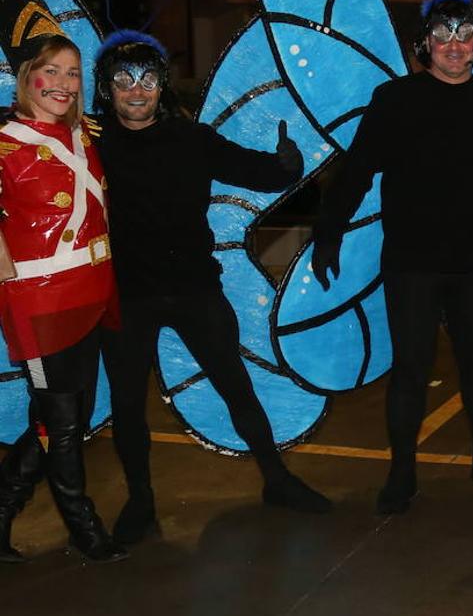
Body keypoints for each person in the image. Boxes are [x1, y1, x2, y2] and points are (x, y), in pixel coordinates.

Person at [312, 0, 473, 513]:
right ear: (425, 42)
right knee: (411, 370)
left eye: (465, 36)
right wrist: (328, 231)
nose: (453, 46)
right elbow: (356, 171)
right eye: (442, 35)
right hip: (411, 262)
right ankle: (401, 472)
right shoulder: (393, 100)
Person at [93, 30, 332, 546]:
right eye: (123, 80)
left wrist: (290, 159)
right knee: (128, 403)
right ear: (106, 88)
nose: (136, 91)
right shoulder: (91, 145)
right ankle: (141, 501)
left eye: (148, 79)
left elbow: (261, 173)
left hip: (194, 287)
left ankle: (277, 479)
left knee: (236, 385)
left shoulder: (191, 139)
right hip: (124, 295)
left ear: (162, 85)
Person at [0, 0, 127, 563]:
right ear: (27, 77)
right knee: (65, 421)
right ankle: (85, 531)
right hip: (41, 303)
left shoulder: (84, 133)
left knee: (58, 419)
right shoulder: (3, 142)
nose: (64, 83)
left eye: (73, 72)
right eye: (50, 70)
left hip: (92, 292)